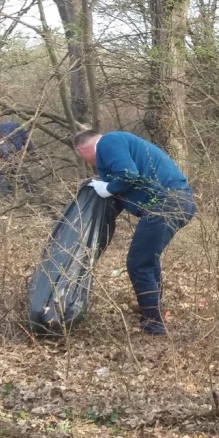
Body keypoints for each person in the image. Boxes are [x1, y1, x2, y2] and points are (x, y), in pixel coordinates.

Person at [73, 130, 197, 335]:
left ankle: (154, 323)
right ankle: (154, 313)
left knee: (138, 263)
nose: (89, 164)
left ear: (81, 150)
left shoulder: (107, 143)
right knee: (148, 260)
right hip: (178, 201)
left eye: (83, 159)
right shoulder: (117, 148)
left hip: (166, 203)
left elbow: (128, 174)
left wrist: (108, 188)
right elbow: (125, 188)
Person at [0, 120, 36, 196]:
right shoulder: (18, 127)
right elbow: (27, 141)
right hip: (4, 147)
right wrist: (33, 153)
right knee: (19, 169)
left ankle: (5, 196)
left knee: (0, 171)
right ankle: (32, 192)